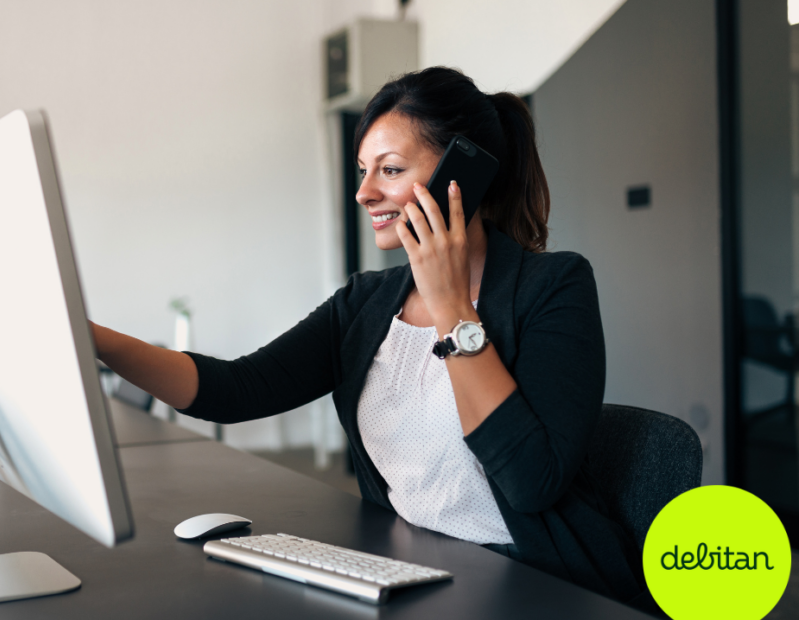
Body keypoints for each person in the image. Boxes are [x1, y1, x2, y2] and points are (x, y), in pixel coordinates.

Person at [91, 66, 650, 610]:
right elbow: (236, 389)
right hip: (420, 574)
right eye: (363, 171)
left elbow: (531, 483)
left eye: (390, 169)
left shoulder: (555, 287)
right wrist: (92, 339)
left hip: (538, 584)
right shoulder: (365, 304)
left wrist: (452, 306)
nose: (364, 193)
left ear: (464, 175)